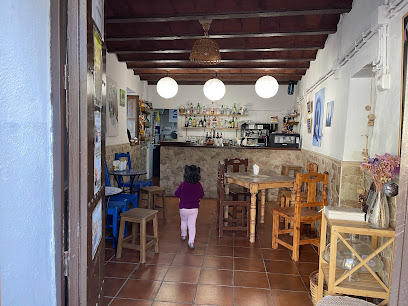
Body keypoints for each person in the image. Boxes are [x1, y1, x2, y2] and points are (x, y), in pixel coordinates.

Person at [175, 165, 204, 249]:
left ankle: (183, 235)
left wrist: (182, 196)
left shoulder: (183, 184)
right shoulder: (198, 185)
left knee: (183, 221)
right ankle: (191, 242)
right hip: (194, 208)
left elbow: (176, 194)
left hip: (183, 208)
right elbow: (201, 195)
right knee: (192, 225)